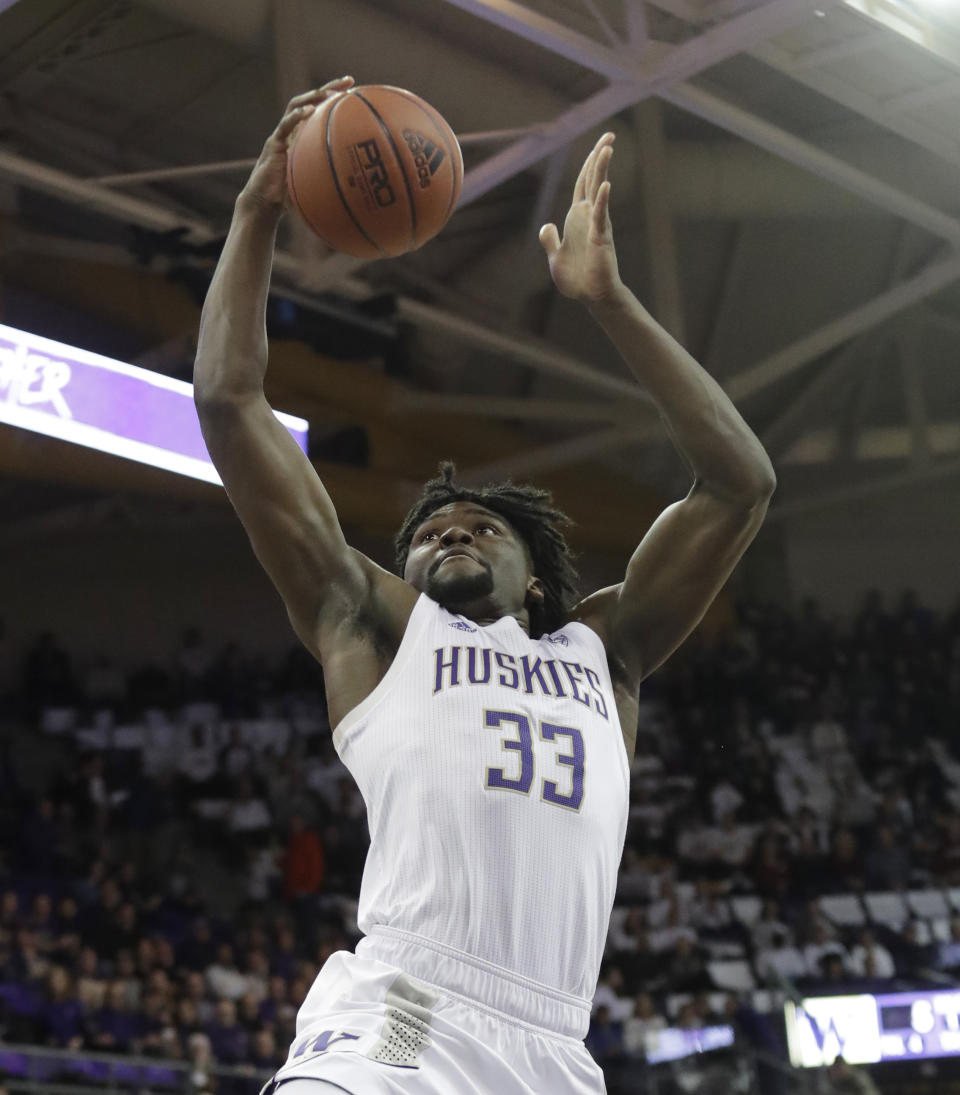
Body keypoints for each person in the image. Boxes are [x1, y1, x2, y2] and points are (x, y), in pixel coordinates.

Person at [193, 77, 776, 1095]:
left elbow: (741, 484)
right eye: (425, 533)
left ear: (542, 580)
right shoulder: (371, 625)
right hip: (409, 1009)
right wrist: (258, 212)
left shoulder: (606, 652)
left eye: (479, 526)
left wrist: (610, 304)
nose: (447, 533)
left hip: (554, 1048)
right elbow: (230, 401)